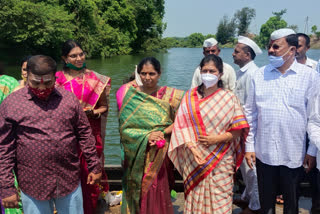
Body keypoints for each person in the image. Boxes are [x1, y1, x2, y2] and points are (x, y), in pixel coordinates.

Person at [0, 55, 102, 214]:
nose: (41, 88)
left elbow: (84, 133)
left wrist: (94, 166)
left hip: (68, 178)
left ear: (55, 78)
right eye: (35, 83)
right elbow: (4, 148)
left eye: (47, 83)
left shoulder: (68, 99)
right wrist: (7, 187)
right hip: (32, 182)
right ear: (27, 75)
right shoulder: (11, 104)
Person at [244, 28, 318, 214]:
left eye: (276, 46)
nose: (270, 50)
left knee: (291, 204)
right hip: (264, 152)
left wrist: (312, 151)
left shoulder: (309, 76)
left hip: (294, 153)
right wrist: (249, 147)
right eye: (269, 46)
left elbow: (314, 117)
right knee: (266, 204)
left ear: (292, 50)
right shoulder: (259, 75)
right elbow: (250, 114)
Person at [169, 54, 249, 213]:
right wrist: (193, 149)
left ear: (220, 74)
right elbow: (181, 127)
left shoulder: (229, 98)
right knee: (196, 198)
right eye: (204, 70)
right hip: (194, 158)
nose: (208, 74)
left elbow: (238, 131)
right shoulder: (189, 97)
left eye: (212, 71)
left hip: (221, 158)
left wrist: (216, 139)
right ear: (199, 72)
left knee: (221, 197)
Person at [117, 57, 184, 214]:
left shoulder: (172, 95)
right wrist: (146, 136)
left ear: (159, 74)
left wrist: (161, 132)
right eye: (143, 73)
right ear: (138, 74)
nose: (147, 78)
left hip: (160, 151)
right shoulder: (131, 96)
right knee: (138, 188)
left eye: (152, 73)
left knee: (156, 187)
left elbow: (181, 122)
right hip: (137, 151)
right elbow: (125, 129)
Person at [55, 39, 110, 214]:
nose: (79, 58)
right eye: (73, 56)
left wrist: (94, 113)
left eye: (81, 54)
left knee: (90, 173)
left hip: (90, 133)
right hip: (65, 134)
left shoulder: (95, 79)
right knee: (68, 174)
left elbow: (104, 107)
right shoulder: (56, 80)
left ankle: (91, 208)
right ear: (65, 58)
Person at [232, 36, 262, 214]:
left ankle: (255, 206)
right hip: (240, 126)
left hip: (249, 128)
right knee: (244, 167)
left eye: (237, 51)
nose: (233, 54)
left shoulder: (253, 74)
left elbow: (251, 107)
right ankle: (247, 197)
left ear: (247, 55)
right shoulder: (241, 72)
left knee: (252, 168)